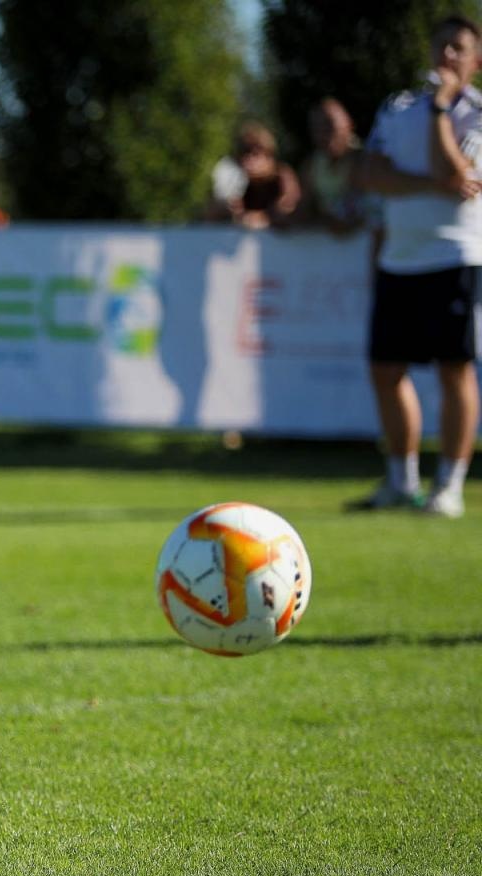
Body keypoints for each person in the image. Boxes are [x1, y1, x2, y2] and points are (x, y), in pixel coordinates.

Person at [352, 15, 482, 517]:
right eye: (442, 46)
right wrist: (430, 186)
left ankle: (448, 486)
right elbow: (369, 173)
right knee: (386, 371)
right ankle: (401, 482)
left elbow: (452, 167)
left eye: (459, 48)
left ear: (475, 60)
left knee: (455, 370)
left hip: (454, 256)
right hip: (398, 261)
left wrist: (442, 108)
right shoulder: (397, 105)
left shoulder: (472, 111)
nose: (448, 56)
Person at [207, 121, 300, 229]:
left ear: (269, 154)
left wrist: (259, 217)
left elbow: (289, 209)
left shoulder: (282, 176)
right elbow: (210, 216)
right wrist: (228, 209)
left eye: (256, 152)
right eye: (244, 152)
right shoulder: (235, 181)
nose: (249, 159)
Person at [300, 97, 371, 233]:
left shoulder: (364, 160)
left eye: (329, 124)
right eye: (316, 128)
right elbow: (303, 210)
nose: (323, 134)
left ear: (349, 124)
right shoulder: (310, 165)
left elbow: (346, 220)